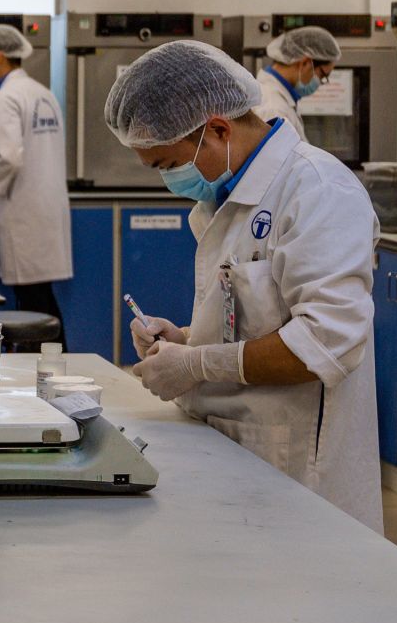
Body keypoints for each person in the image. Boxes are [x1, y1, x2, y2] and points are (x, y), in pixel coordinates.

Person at [104, 40, 381, 531]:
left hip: (298, 473)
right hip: (239, 455)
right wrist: (186, 339)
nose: (169, 179)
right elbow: (255, 320)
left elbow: (325, 344)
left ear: (217, 129)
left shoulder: (316, 191)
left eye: (168, 165)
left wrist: (195, 364)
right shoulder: (228, 198)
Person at [0, 23, 71, 325]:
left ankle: (52, 366)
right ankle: (57, 363)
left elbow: (9, 156)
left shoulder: (6, 96)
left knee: (33, 307)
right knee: (42, 300)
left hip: (24, 211)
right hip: (47, 208)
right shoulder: (41, 92)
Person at [253, 26, 341, 143]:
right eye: (322, 75)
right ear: (305, 63)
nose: (320, 82)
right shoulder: (274, 109)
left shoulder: (279, 100)